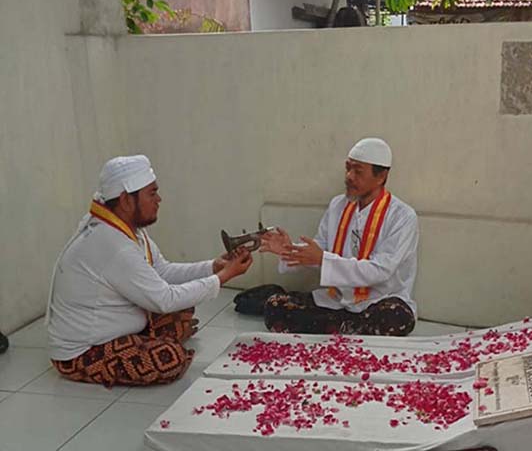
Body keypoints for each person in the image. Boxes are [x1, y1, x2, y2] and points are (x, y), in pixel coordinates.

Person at [46, 155, 252, 388]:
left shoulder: (126, 228)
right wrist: (224, 277)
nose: (159, 199)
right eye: (152, 193)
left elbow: (162, 271)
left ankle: (149, 337)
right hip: (83, 350)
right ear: (125, 199)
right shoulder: (113, 244)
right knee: (170, 358)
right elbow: (164, 299)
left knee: (183, 308)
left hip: (119, 324)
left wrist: (213, 267)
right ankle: (151, 343)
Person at [241, 138, 418, 336]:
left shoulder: (402, 217)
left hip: (378, 302)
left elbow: (380, 270)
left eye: (358, 171)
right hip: (335, 300)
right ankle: (347, 328)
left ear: (381, 176)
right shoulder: (338, 205)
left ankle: (334, 328)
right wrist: (290, 250)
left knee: (397, 316)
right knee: (276, 306)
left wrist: (323, 259)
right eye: (348, 168)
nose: (349, 176)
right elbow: (319, 249)